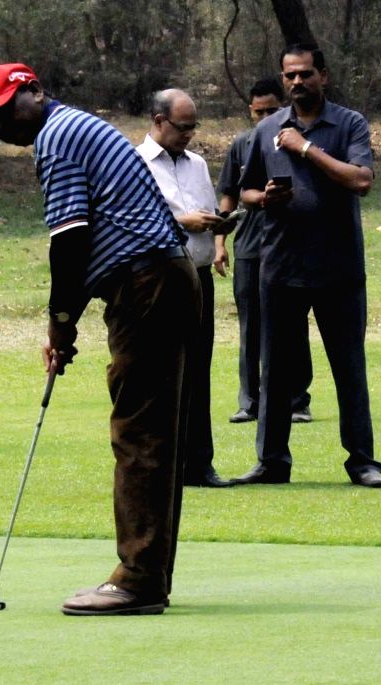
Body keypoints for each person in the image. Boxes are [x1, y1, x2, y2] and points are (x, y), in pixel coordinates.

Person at [0, 63, 201, 614]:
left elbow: (69, 241)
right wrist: (67, 321)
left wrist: (60, 322)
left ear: (33, 91)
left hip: (146, 283)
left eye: (5, 110)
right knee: (155, 437)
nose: (1, 125)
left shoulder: (57, 136)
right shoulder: (76, 127)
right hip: (162, 278)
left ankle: (138, 580)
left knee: (139, 435)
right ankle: (148, 576)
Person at [232, 44, 381, 488]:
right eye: (290, 76)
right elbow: (245, 191)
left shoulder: (349, 123)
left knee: (348, 368)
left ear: (324, 75)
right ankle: (272, 461)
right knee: (275, 370)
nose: (297, 82)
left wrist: (305, 149)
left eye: (305, 74)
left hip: (339, 268)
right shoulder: (268, 129)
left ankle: (363, 462)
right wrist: (264, 198)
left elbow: (361, 180)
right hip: (280, 267)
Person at [136, 89, 231, 489]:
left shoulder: (197, 164)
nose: (190, 134)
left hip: (199, 276)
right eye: (183, 127)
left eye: (194, 126)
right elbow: (134, 222)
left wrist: (220, 225)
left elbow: (205, 213)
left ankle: (199, 464)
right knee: (162, 373)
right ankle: (164, 465)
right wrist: (181, 223)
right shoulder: (134, 163)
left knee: (198, 368)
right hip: (159, 279)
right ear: (159, 121)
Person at [216, 78, 314, 426]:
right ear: (250, 111)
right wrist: (219, 243)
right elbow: (229, 194)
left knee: (293, 324)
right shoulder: (241, 144)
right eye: (259, 112)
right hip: (249, 247)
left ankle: (297, 401)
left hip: (290, 247)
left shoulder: (295, 140)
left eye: (271, 110)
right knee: (250, 326)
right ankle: (250, 401)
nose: (265, 117)